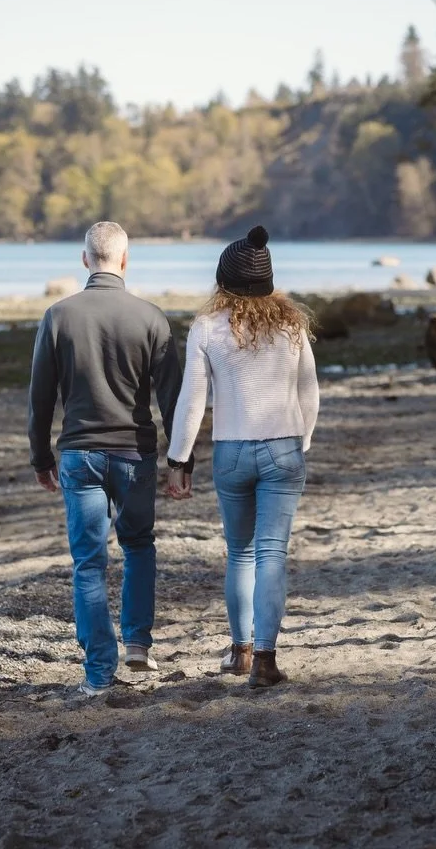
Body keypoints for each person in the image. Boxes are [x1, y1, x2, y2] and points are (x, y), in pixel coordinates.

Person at [28, 221, 188, 698]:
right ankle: (137, 644)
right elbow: (173, 400)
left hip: (79, 454)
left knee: (88, 563)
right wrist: (182, 463)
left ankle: (98, 673)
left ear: (84, 260)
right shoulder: (152, 318)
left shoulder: (58, 316)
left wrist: (40, 456)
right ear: (124, 260)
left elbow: (40, 398)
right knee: (139, 546)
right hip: (135, 454)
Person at [164, 226, 319, 688]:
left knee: (240, 553)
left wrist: (178, 459)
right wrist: (300, 442)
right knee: (272, 553)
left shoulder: (207, 328)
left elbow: (192, 401)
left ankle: (240, 653)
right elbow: (309, 393)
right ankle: (268, 661)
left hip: (231, 452)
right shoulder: (292, 325)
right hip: (284, 448)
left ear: (223, 282)